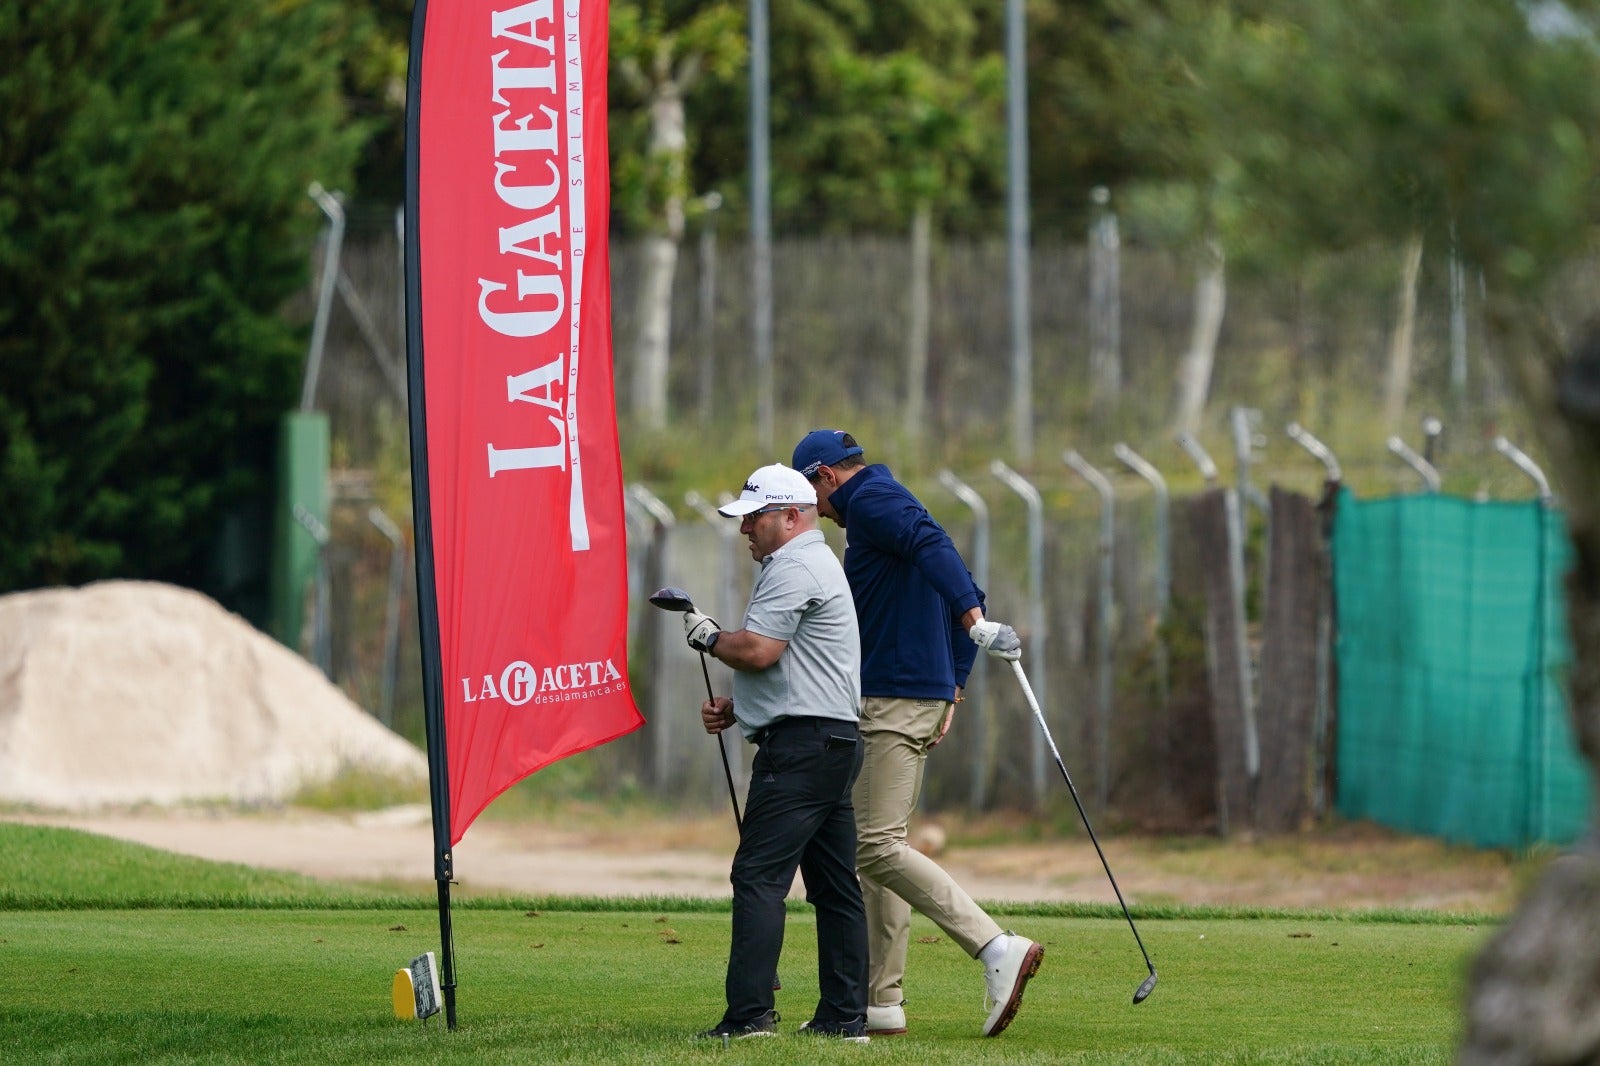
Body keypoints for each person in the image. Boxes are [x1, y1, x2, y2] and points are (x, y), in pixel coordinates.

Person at [791, 428, 1043, 1039]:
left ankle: (995, 947)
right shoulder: (882, 506)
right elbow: (953, 570)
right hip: (912, 692)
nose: (811, 509)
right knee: (876, 847)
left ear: (826, 475)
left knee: (872, 846)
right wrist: (953, 679)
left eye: (809, 492)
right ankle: (881, 999)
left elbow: (939, 555)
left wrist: (971, 625)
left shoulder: (873, 500)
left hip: (892, 696)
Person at [681, 463, 871, 1042]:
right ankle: (844, 1018)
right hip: (832, 742)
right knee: (835, 886)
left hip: (802, 750)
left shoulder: (794, 564)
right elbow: (798, 665)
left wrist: (710, 636)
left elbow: (760, 650)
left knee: (759, 876)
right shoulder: (812, 562)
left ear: (791, 516)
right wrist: (744, 707)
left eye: (754, 518)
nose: (746, 531)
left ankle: (749, 1018)